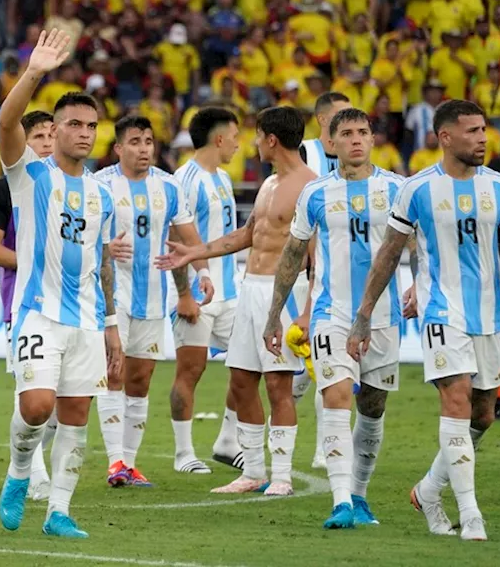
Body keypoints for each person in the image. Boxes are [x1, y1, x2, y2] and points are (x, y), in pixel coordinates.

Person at [348, 99, 500, 541]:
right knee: (455, 401)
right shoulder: (416, 189)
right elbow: (388, 255)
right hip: (440, 311)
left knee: (484, 414)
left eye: (484, 129)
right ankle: (471, 515)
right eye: (473, 131)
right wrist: (364, 315)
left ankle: (429, 490)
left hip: (488, 316)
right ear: (445, 137)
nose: (483, 138)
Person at [0, 29, 121, 540]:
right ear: (56, 129)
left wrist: (111, 325)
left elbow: (100, 264)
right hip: (39, 313)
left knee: (75, 416)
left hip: (88, 320)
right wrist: (34, 72)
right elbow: (5, 122)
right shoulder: (29, 175)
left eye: (91, 125)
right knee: (36, 407)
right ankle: (18, 472)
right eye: (74, 124)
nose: (85, 133)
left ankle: (60, 512)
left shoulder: (101, 195)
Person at [157, 106, 317, 496]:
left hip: (284, 293)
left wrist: (308, 309)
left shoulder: (311, 187)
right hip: (249, 288)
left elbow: (318, 256)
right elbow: (247, 236)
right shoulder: (269, 185)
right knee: (242, 381)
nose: (254, 143)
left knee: (278, 385)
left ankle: (280, 475)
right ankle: (254, 471)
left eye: (259, 136)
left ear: (273, 140)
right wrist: (195, 254)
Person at [262, 108, 406, 529]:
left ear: (373, 139)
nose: (356, 139)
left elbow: (419, 246)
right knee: (336, 394)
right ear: (332, 143)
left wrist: (421, 287)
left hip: (384, 315)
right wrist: (276, 314)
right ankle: (341, 500)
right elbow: (292, 255)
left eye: (364, 131)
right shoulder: (317, 193)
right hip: (332, 314)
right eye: (347, 133)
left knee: (373, 406)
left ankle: (359, 494)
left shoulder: (397, 189)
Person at [94, 115, 208, 488]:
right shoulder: (101, 186)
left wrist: (202, 274)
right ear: (118, 148)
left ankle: (129, 463)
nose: (143, 149)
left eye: (148, 142)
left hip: (155, 296)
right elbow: (80, 238)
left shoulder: (169, 187)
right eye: (135, 142)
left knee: (140, 380)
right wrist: (104, 247)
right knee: (114, 371)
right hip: (113, 295)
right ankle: (115, 462)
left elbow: (188, 238)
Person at [0, 109, 58, 500]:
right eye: (39, 136)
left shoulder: (69, 186)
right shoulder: (5, 187)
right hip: (24, 302)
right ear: (24, 144)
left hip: (68, 304)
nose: (47, 142)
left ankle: (39, 464)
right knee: (32, 387)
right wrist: (35, 260)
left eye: (51, 135)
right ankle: (34, 474)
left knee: (60, 400)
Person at [167, 108, 233, 475]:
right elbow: (176, 237)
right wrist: (185, 293)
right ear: (219, 138)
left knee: (250, 362)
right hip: (196, 292)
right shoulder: (185, 180)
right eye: (235, 136)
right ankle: (183, 453)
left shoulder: (222, 177)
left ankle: (228, 440)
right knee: (191, 370)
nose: (239, 144)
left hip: (229, 292)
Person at [298, 92, 353, 470]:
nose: (347, 126)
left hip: (345, 277)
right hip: (307, 274)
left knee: (324, 366)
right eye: (339, 118)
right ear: (321, 121)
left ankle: (323, 447)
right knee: (305, 362)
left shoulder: (357, 155)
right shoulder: (304, 153)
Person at [301, 92, 350, 175]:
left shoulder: (358, 152)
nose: (349, 119)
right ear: (323, 119)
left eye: (351, 114)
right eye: (341, 114)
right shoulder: (303, 151)